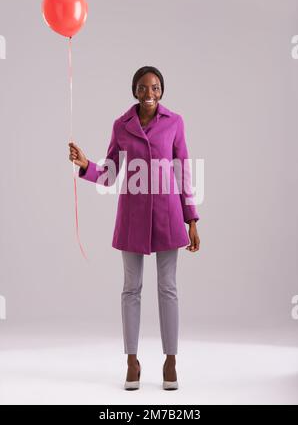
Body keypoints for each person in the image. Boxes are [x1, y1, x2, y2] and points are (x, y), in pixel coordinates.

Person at [68, 66, 200, 390]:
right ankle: (132, 361)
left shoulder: (175, 123)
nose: (150, 94)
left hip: (168, 215)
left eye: (155, 88)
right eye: (143, 88)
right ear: (135, 91)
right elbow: (110, 173)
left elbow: (183, 172)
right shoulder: (121, 126)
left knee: (168, 287)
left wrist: (192, 220)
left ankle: (171, 361)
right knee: (131, 289)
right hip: (132, 217)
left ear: (162, 91)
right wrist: (86, 165)